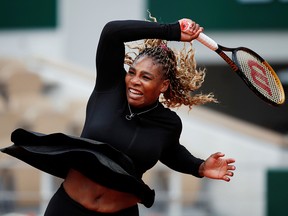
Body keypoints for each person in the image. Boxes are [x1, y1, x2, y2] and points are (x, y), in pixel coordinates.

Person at [1, 15, 236, 216]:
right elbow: (112, 32)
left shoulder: (169, 124)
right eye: (132, 72)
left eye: (145, 77)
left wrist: (201, 167)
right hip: (68, 208)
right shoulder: (109, 88)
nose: (134, 80)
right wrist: (171, 31)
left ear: (163, 85)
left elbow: (172, 153)